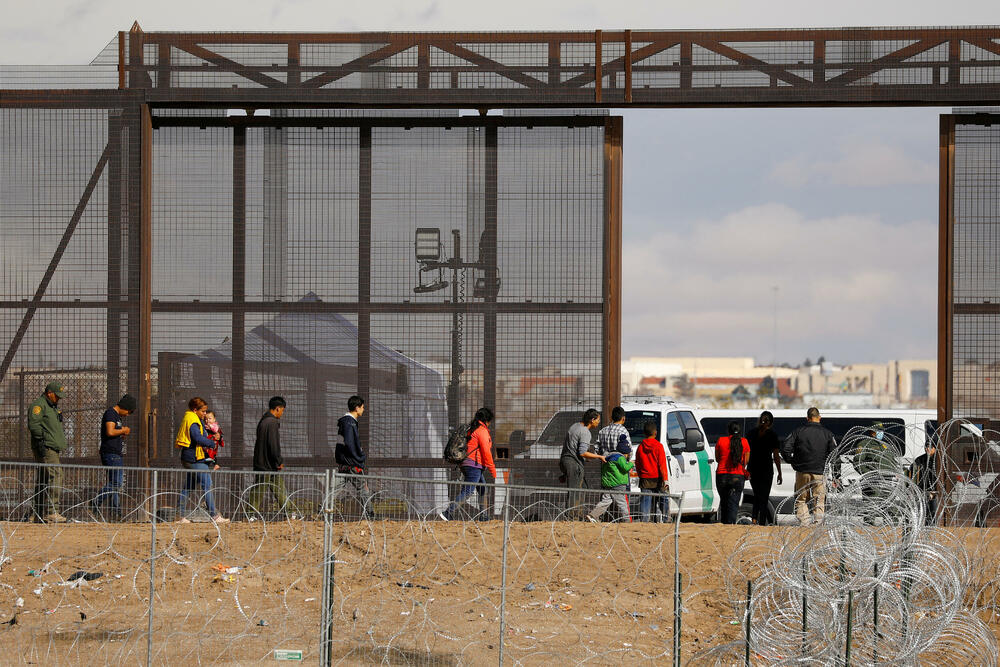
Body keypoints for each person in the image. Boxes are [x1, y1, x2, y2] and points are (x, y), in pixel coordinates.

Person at [174, 397, 229, 525]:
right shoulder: (192, 420)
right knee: (207, 484)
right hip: (194, 459)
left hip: (190, 457)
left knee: (189, 486)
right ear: (195, 410)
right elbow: (197, 437)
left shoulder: (192, 418)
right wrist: (211, 442)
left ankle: (179, 515)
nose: (205, 414)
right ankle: (214, 515)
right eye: (203, 411)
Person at [781, 407, 836, 526]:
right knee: (819, 499)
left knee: (801, 499)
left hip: (802, 471)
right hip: (820, 472)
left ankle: (804, 523)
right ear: (819, 417)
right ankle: (817, 523)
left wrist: (793, 461)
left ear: (807, 418)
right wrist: (836, 475)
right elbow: (834, 455)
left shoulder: (798, 431)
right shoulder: (827, 434)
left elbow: (785, 448)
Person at [440, 407, 496, 521]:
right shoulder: (481, 431)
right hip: (474, 465)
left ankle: (484, 515)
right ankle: (448, 512)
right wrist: (492, 469)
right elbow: (486, 452)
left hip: (467, 464)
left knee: (482, 488)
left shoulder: (472, 429)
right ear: (487, 420)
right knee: (467, 491)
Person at [248, 396, 298, 518]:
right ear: (277, 409)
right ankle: (249, 513)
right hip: (267, 464)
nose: (282, 413)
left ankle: (289, 512)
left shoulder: (263, 421)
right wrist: (278, 460)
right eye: (282, 410)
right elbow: (273, 444)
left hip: (264, 463)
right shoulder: (272, 422)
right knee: (259, 490)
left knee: (279, 488)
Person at [27, 381, 69, 523]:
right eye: (56, 396)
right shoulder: (39, 405)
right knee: (56, 475)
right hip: (46, 447)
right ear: (49, 393)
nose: (58, 399)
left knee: (44, 479)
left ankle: (36, 514)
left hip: (53, 447)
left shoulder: (52, 406)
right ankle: (52, 511)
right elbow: (34, 425)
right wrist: (44, 439)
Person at [93, 394, 136, 518]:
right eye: (129, 411)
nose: (127, 414)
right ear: (125, 406)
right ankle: (95, 502)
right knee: (116, 483)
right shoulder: (111, 413)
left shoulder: (116, 416)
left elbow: (112, 432)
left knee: (114, 484)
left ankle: (115, 513)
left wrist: (120, 434)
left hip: (115, 453)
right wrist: (123, 430)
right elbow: (110, 431)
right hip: (111, 453)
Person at [559, 408, 604, 518]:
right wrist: (599, 456)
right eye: (598, 420)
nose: (598, 422)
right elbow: (583, 452)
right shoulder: (585, 432)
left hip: (566, 460)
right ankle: (572, 516)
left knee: (582, 487)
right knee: (575, 490)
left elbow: (574, 447)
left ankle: (577, 514)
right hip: (573, 463)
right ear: (592, 420)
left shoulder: (575, 426)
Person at [336, 395, 374, 519]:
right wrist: (360, 457)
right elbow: (350, 444)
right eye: (362, 407)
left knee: (335, 488)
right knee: (363, 489)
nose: (363, 410)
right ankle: (370, 514)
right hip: (352, 463)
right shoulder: (350, 423)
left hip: (344, 462)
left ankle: (322, 508)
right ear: (357, 408)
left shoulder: (345, 422)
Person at [746, 411, 783, 526]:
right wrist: (779, 473)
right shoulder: (772, 435)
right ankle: (762, 522)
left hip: (753, 468)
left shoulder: (751, 433)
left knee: (756, 495)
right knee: (764, 497)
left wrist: (745, 468)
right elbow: (776, 456)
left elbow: (746, 452)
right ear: (771, 422)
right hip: (766, 469)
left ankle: (754, 520)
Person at [587, 441, 634, 523]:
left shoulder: (608, 456)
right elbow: (625, 468)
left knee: (606, 501)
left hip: (608, 484)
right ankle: (627, 520)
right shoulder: (620, 457)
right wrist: (631, 464)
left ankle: (593, 515)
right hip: (618, 484)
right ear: (626, 453)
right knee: (622, 503)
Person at [715, 421, 750, 525]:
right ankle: (730, 525)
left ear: (728, 431)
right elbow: (746, 461)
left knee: (724, 502)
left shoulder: (721, 440)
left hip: (722, 475)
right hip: (738, 475)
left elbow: (717, 458)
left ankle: (724, 523)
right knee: (733, 503)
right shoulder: (744, 442)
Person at [635, 421, 670, 522]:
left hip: (645, 478)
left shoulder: (640, 447)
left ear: (644, 433)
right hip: (658, 478)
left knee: (645, 501)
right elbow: (662, 464)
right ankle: (666, 519)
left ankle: (644, 522)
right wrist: (665, 480)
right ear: (655, 433)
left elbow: (637, 463)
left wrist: (641, 474)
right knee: (663, 500)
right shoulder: (658, 446)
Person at [911, 441, 939, 526]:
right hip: (921, 488)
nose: (927, 449)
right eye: (926, 447)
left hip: (934, 489)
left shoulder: (938, 460)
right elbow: (913, 469)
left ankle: (930, 527)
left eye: (930, 447)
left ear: (934, 448)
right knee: (921, 509)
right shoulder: (920, 459)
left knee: (932, 510)